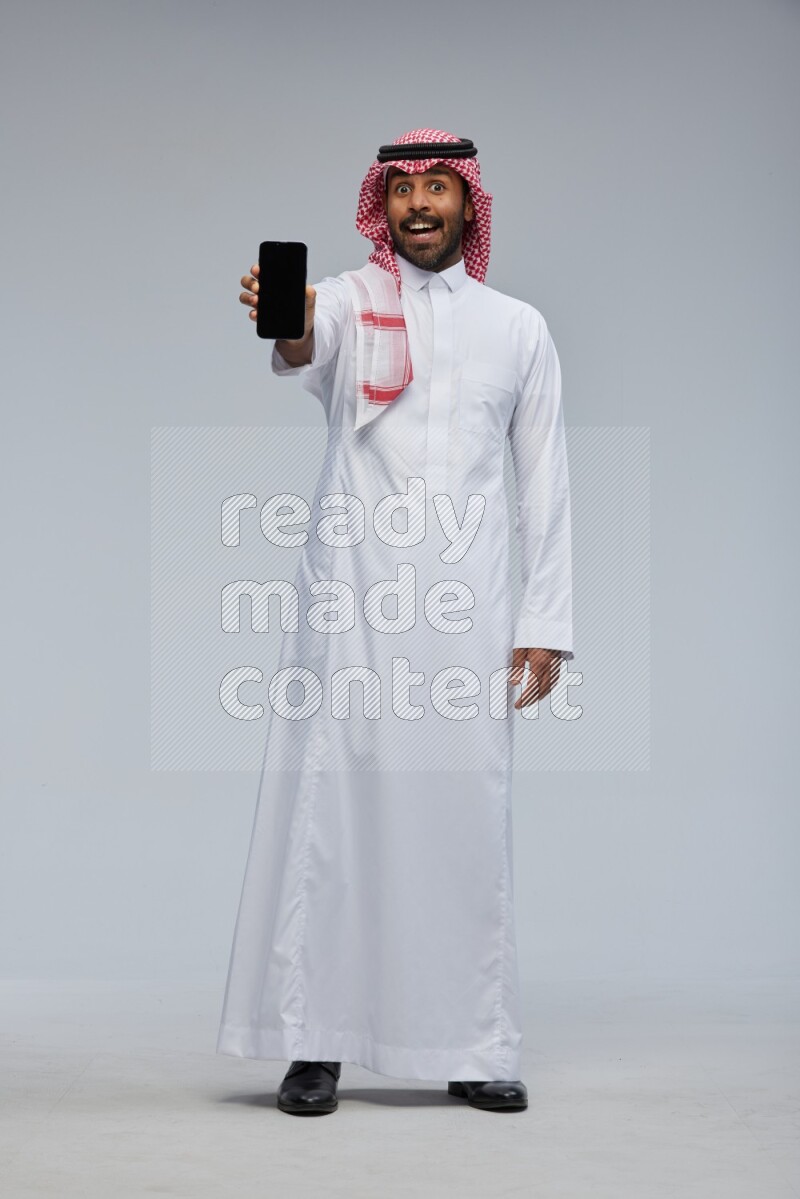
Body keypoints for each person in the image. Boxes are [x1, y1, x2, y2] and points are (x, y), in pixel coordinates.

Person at [218, 129, 575, 1115]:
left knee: (464, 820)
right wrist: (291, 320)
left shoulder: (517, 328)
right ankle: (314, 1043)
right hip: (353, 602)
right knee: (332, 819)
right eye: (403, 188)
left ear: (467, 203)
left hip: (468, 612)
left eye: (437, 187)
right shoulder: (347, 299)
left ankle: (471, 1043)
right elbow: (304, 344)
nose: (419, 203)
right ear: (383, 204)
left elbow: (544, 482)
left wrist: (543, 619)